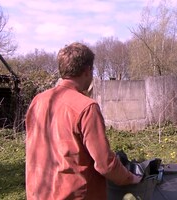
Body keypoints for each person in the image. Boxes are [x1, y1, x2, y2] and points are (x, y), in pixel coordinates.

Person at [25, 42, 141, 200]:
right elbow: (105, 164)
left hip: (38, 193)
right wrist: (130, 178)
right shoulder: (86, 107)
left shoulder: (37, 101)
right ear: (87, 70)